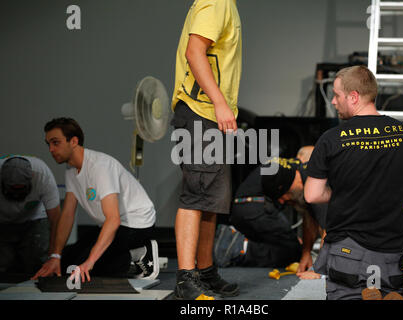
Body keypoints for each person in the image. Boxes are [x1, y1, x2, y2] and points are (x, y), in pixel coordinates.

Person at [304, 65, 403, 300]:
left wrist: (345, 191)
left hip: (349, 251)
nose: (333, 101)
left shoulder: (331, 139)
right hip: (396, 251)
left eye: (336, 95)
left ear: (353, 97)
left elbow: (311, 195)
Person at [170, 0, 242, 300]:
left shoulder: (227, 4)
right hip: (201, 112)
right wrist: (219, 102)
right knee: (196, 194)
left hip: (209, 114)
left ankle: (205, 271)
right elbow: (194, 51)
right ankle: (187, 278)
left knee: (211, 198)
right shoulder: (216, 1)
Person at [32, 118, 158, 282]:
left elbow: (113, 220)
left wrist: (90, 262)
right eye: (48, 144)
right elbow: (68, 214)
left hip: (137, 224)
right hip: (113, 225)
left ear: (74, 141)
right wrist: (55, 256)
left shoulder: (100, 167)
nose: (51, 149)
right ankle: (104, 258)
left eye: (56, 143)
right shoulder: (71, 169)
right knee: (66, 262)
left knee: (90, 268)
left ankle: (139, 253)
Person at [222, 148, 326, 279]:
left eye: (285, 194)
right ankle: (238, 249)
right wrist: (316, 266)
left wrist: (307, 254)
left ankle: (238, 243)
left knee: (287, 245)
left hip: (241, 207)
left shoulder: (296, 171)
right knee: (292, 250)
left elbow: (316, 219)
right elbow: (320, 221)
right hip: (255, 206)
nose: (284, 200)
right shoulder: (302, 175)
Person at [0, 155, 60, 275]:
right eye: (12, 189)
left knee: (36, 260)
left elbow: (55, 219)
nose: (17, 195)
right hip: (1, 221)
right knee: (3, 263)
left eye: (20, 189)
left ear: (32, 178)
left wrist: (54, 256)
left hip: (34, 219)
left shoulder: (42, 175)